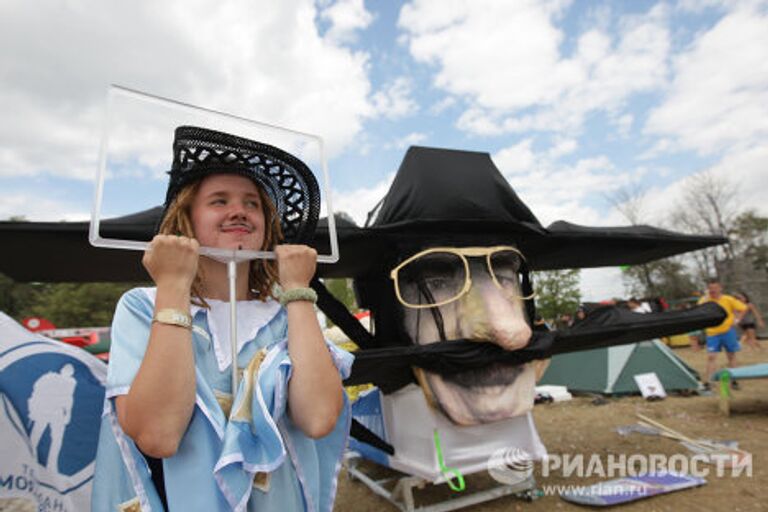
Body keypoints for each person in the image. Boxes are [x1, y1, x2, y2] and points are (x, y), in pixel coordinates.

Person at [92, 126, 352, 512]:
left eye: (252, 204)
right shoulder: (143, 306)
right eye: (219, 200)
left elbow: (317, 419)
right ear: (187, 220)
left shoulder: (287, 314)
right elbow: (158, 435)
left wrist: (298, 291)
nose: (239, 211)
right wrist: (174, 286)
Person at [695, 278, 747, 390]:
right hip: (712, 333)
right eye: (710, 288)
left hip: (727, 331)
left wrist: (737, 320)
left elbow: (743, 308)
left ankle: (734, 381)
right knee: (711, 357)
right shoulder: (704, 301)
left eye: (715, 288)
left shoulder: (728, 299)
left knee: (731, 356)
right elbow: (698, 312)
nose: (712, 290)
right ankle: (708, 383)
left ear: (720, 288)